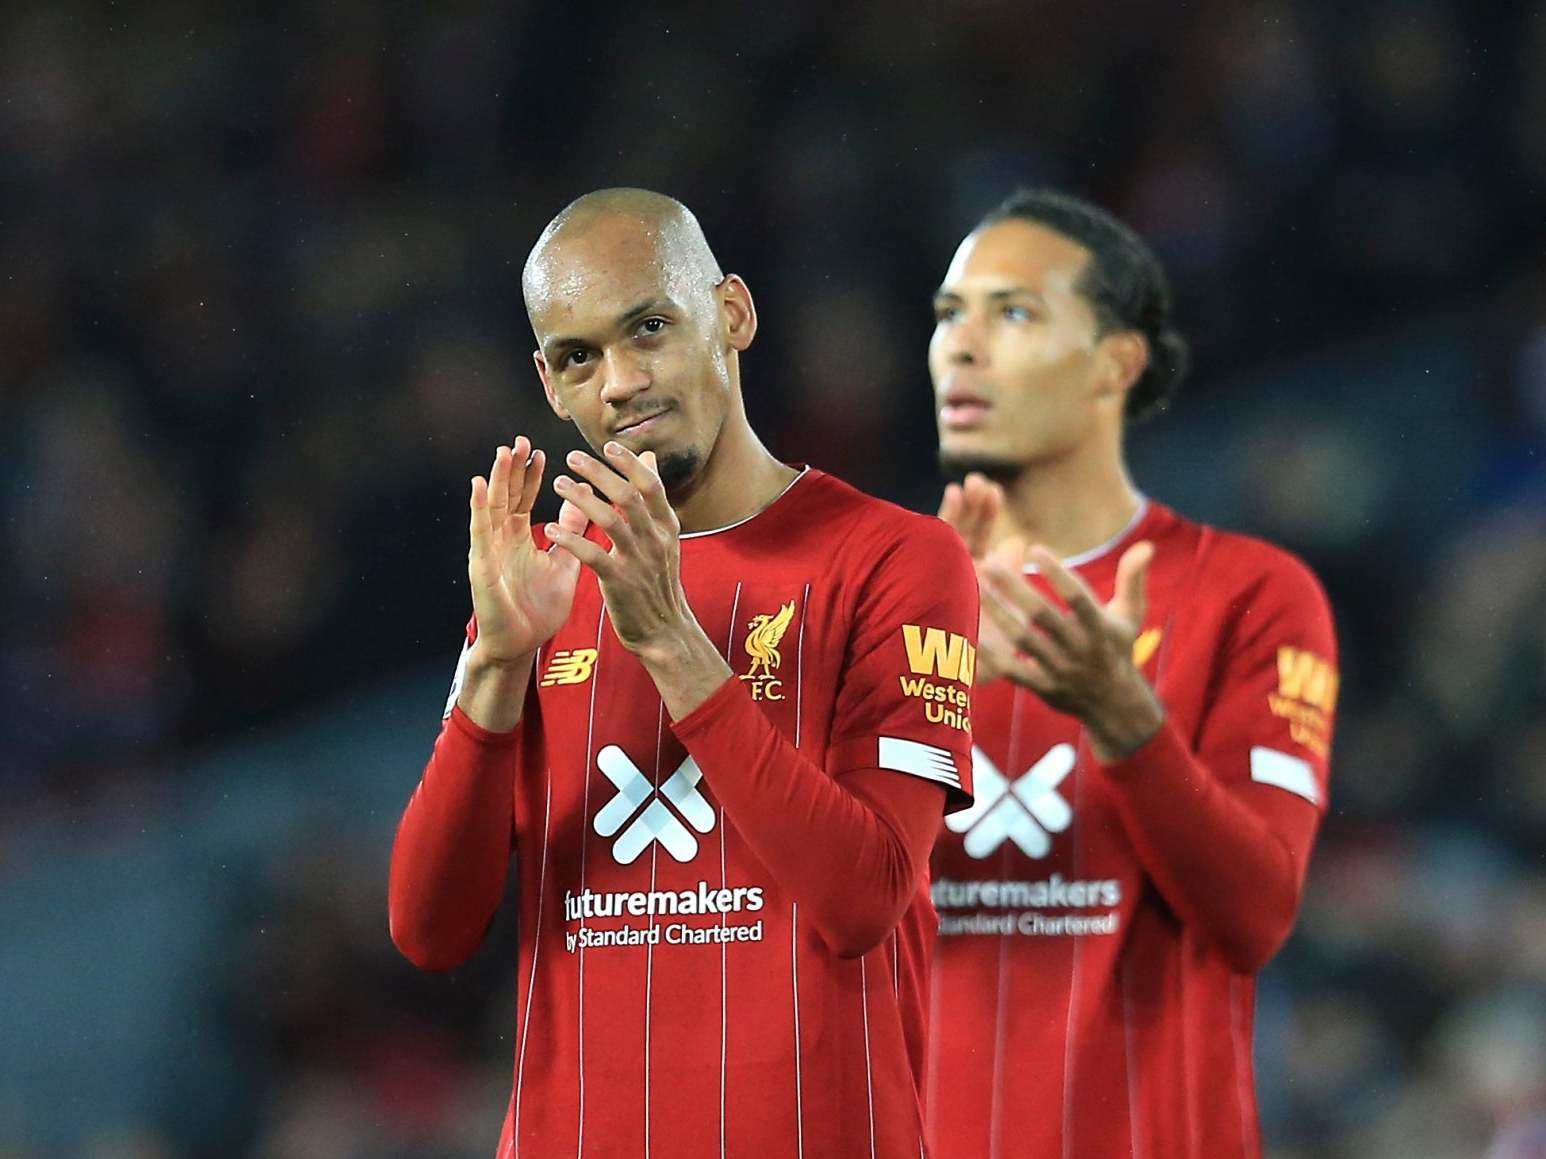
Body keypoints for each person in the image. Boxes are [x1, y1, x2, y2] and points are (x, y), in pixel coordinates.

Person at [387, 188, 979, 1158]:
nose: (619, 381)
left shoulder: (895, 561)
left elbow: (865, 896)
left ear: (733, 315)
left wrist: (667, 638)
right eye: (579, 357)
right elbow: (429, 930)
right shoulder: (540, 578)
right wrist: (495, 658)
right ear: (548, 383)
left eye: (650, 328)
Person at [924, 189, 1339, 1158]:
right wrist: (912, 693)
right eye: (949, 315)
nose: (961, 347)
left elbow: (1253, 915)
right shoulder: (886, 603)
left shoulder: (1249, 595)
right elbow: (810, 922)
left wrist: (1125, 720)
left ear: (1116, 362)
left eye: (1012, 311)